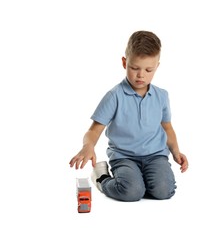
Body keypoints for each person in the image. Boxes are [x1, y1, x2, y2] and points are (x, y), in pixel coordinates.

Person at [69, 30, 188, 202]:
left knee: (164, 191)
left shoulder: (161, 96)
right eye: (135, 68)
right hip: (124, 157)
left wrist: (176, 151)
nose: (141, 75)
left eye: (148, 70)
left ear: (157, 67)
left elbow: (167, 127)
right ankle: (102, 178)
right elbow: (94, 130)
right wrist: (88, 146)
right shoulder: (114, 96)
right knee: (132, 192)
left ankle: (141, 181)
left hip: (155, 155)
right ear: (125, 63)